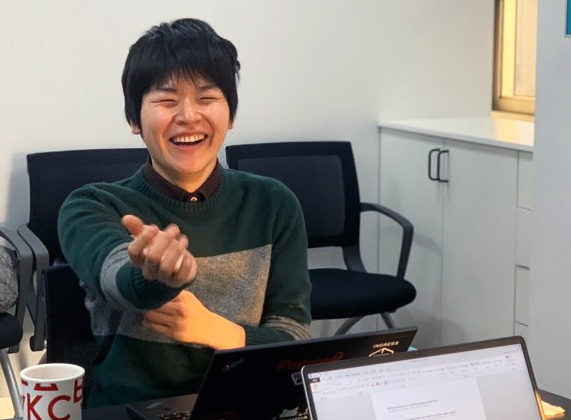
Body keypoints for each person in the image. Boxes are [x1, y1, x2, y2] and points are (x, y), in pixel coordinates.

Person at [58, 18, 312, 407]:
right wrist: (156, 274)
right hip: (132, 408)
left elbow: (293, 334)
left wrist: (221, 332)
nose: (189, 115)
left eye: (207, 98)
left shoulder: (274, 203)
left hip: (245, 404)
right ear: (134, 119)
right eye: (166, 100)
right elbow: (117, 281)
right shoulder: (92, 205)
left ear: (230, 115)